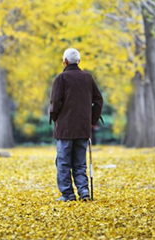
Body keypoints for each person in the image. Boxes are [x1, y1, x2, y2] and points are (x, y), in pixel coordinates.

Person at [49, 48, 103, 202]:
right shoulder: (88, 78)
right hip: (83, 128)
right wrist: (92, 120)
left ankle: (67, 194)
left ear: (65, 61)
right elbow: (98, 100)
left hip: (65, 128)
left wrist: (54, 116)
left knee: (63, 162)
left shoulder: (61, 78)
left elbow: (55, 102)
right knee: (80, 162)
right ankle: (84, 191)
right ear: (79, 61)